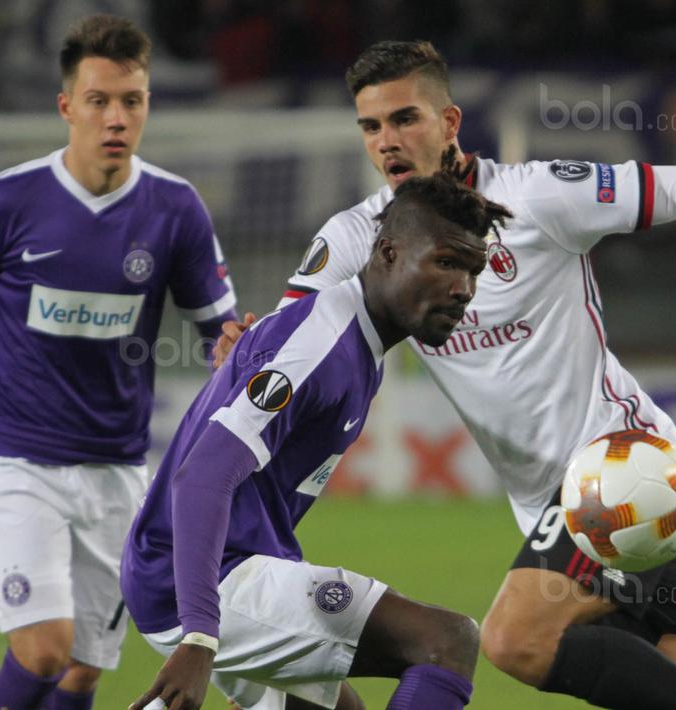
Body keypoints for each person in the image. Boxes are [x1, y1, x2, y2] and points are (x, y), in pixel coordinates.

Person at [215, 40, 676, 710]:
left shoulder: (533, 197)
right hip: (546, 501)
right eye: (371, 126)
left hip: (618, 467)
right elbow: (289, 334)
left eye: (405, 119)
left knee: (514, 640)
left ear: (450, 123)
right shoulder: (360, 237)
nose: (386, 141)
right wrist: (245, 349)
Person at [0, 14, 238, 710]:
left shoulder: (175, 209)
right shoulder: (8, 199)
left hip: (116, 468)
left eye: (131, 100)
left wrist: (235, 350)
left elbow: (222, 331)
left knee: (83, 671)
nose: (116, 117)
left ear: (148, 105)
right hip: (11, 458)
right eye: (99, 100)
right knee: (44, 649)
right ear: (67, 106)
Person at [124, 173, 508, 710]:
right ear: (388, 253)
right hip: (200, 581)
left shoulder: (358, 344)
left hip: (216, 568)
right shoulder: (322, 342)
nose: (463, 288)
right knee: (446, 642)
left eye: (473, 271)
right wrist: (200, 636)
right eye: (446, 262)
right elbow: (202, 477)